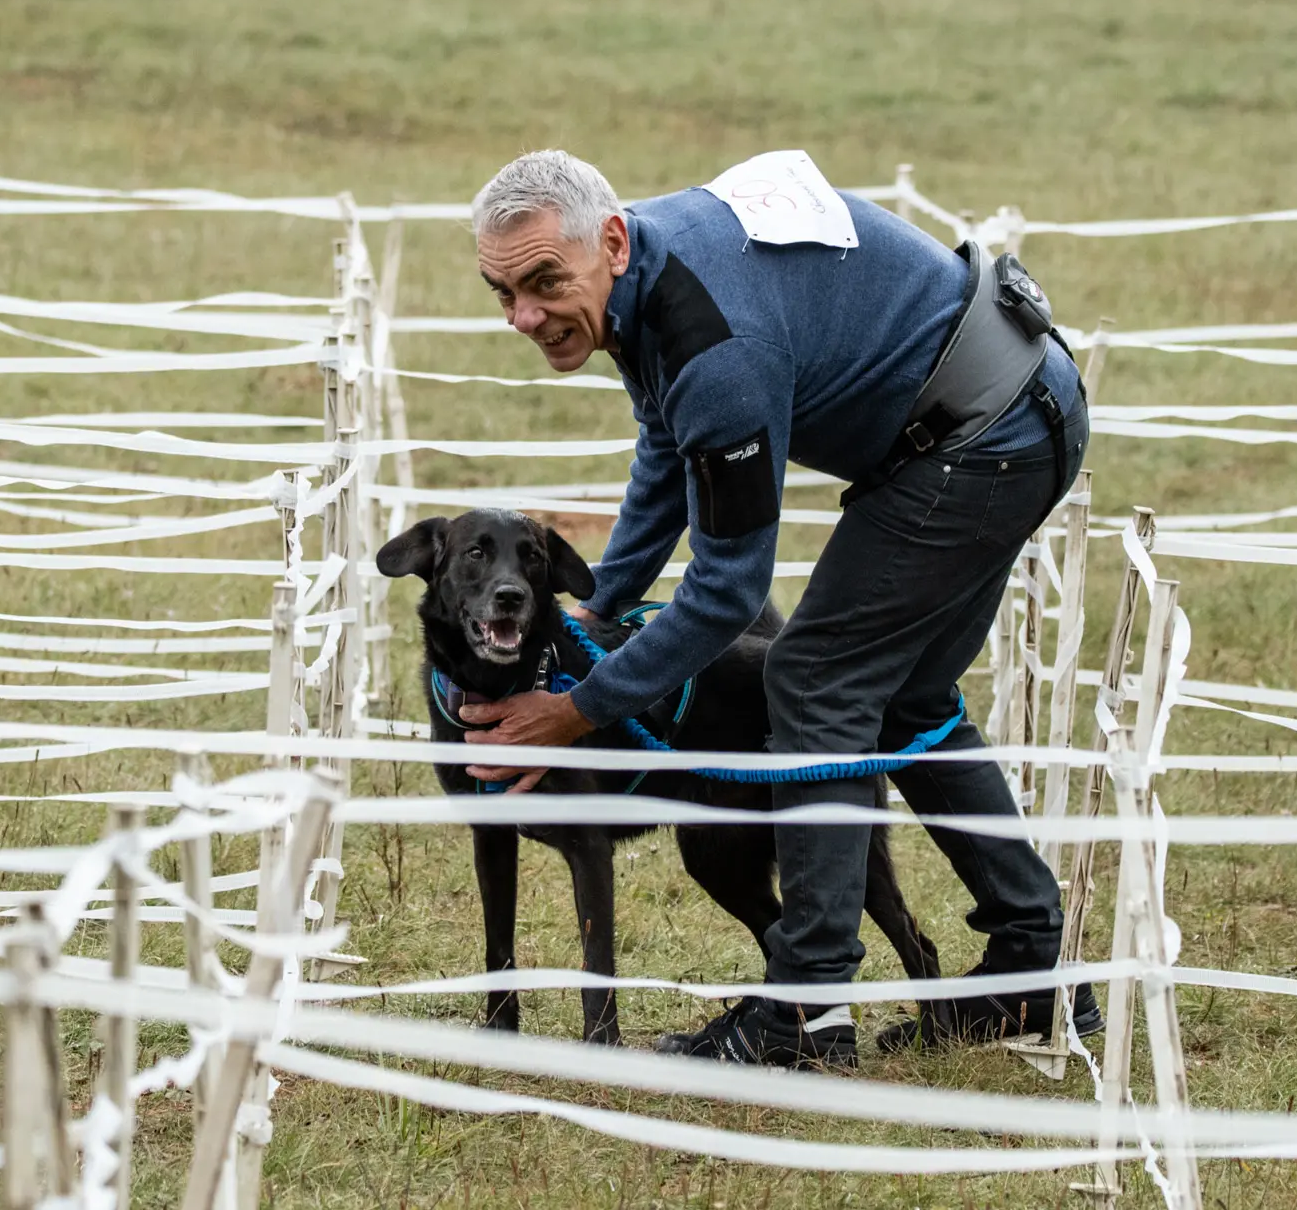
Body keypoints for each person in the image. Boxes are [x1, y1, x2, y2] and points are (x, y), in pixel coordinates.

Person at [455, 149, 1097, 1069]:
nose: (523, 315)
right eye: (502, 291)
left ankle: (805, 1008)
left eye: (543, 283)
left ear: (610, 241)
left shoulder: (718, 349)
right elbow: (664, 447)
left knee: (816, 677)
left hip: (986, 433)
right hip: (1008, 403)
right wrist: (594, 616)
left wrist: (577, 708)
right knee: (906, 696)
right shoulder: (649, 276)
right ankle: (1035, 965)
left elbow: (724, 593)